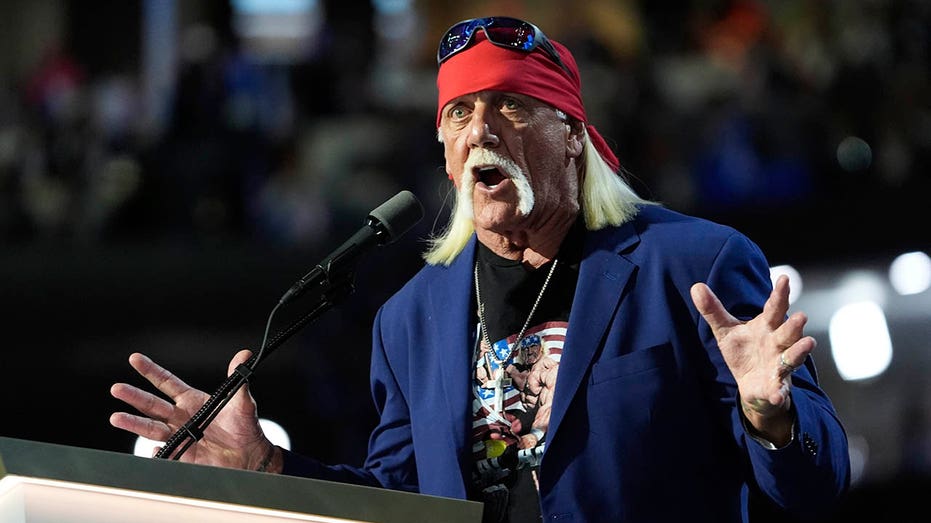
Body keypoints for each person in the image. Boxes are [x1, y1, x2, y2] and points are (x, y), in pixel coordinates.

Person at [110, 16, 850, 523]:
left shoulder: (692, 266)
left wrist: (769, 416)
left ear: (572, 135)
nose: (481, 130)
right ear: (443, 149)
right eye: (459, 113)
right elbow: (398, 501)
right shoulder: (412, 318)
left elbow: (817, 486)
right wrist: (269, 468)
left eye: (511, 106)